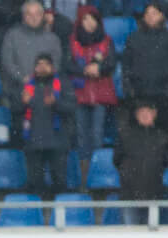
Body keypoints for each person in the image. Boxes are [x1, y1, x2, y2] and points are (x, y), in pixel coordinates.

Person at [21, 55, 74, 199]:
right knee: (35, 184)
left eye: (46, 64)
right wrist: (23, 102)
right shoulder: (26, 85)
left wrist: (56, 103)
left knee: (60, 183)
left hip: (57, 140)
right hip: (34, 141)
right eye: (39, 64)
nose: (42, 67)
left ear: (52, 67)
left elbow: (71, 107)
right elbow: (15, 108)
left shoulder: (63, 84)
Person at [67, 7, 116, 161]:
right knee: (81, 135)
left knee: (97, 133)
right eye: (85, 19)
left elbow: (111, 63)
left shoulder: (106, 40)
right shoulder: (72, 41)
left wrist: (99, 69)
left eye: (93, 19)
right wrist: (85, 70)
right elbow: (67, 64)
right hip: (79, 94)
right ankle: (84, 171)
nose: (90, 23)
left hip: (100, 94)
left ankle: (97, 167)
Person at [124, 4, 168, 120]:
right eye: (147, 14)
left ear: (161, 15)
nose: (150, 17)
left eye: (154, 13)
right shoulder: (133, 38)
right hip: (139, 96)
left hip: (165, 97)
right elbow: (126, 66)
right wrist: (129, 92)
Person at [115, 101, 168, 224]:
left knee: (153, 233)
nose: (145, 115)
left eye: (148, 112)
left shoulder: (163, 137)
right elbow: (117, 160)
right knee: (130, 233)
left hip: (154, 195)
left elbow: (167, 161)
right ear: (136, 115)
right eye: (141, 112)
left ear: (154, 114)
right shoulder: (126, 135)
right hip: (129, 195)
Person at [0, 1, 62, 100]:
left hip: (45, 88)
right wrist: (22, 78)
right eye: (29, 14)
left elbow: (56, 64)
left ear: (43, 16)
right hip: (18, 88)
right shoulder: (12, 36)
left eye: (37, 14)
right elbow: (7, 62)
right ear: (23, 16)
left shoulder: (52, 39)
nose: (34, 18)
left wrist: (41, 79)